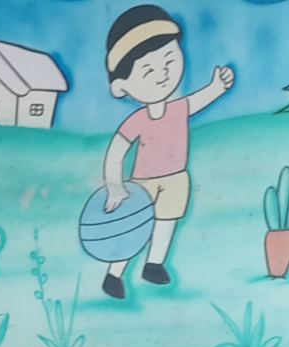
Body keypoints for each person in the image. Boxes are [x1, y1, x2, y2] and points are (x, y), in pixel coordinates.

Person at [98, 4, 233, 299]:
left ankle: (154, 264)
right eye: (148, 70)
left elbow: (199, 100)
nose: (162, 74)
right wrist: (114, 186)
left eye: (169, 60)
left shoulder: (178, 109)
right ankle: (114, 274)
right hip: (143, 183)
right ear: (121, 87)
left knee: (167, 222)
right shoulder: (138, 119)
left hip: (176, 178)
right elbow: (116, 151)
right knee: (134, 228)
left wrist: (216, 88)